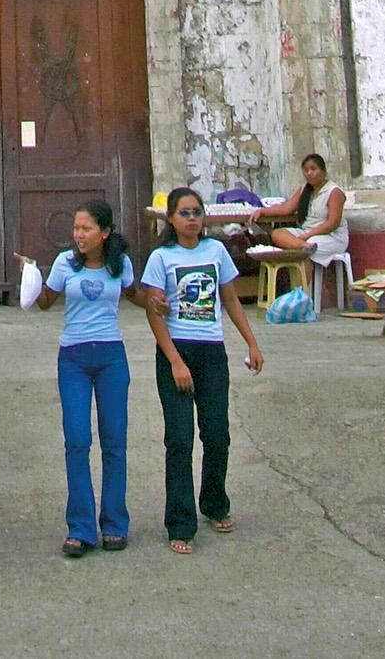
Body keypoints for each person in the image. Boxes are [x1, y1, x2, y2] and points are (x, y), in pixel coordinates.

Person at [138, 185, 262, 554]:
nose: (192, 219)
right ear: (170, 219)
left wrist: (251, 342)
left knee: (217, 434)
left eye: (197, 212)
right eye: (184, 213)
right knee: (179, 440)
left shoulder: (216, 251)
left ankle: (214, 502)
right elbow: (153, 312)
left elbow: (230, 299)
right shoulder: (161, 258)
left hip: (212, 353)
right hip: (176, 351)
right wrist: (175, 361)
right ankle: (180, 522)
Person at [22, 197, 134, 558]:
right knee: (77, 440)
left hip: (112, 357)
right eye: (76, 228)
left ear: (104, 233)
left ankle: (115, 524)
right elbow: (44, 302)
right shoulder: (65, 263)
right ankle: (81, 527)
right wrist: (30, 275)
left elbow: (141, 297)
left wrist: (164, 303)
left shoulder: (121, 265)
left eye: (86, 228)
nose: (79, 235)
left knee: (114, 441)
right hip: (73, 359)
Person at [257, 151, 351, 295]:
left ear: (323, 171)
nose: (309, 173)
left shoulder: (334, 192)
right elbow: (286, 209)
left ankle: (300, 295)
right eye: (306, 170)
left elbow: (332, 223)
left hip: (331, 236)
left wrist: (305, 237)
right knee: (278, 233)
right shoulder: (304, 189)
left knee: (305, 252)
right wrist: (262, 212)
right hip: (306, 236)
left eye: (313, 169)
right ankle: (304, 247)